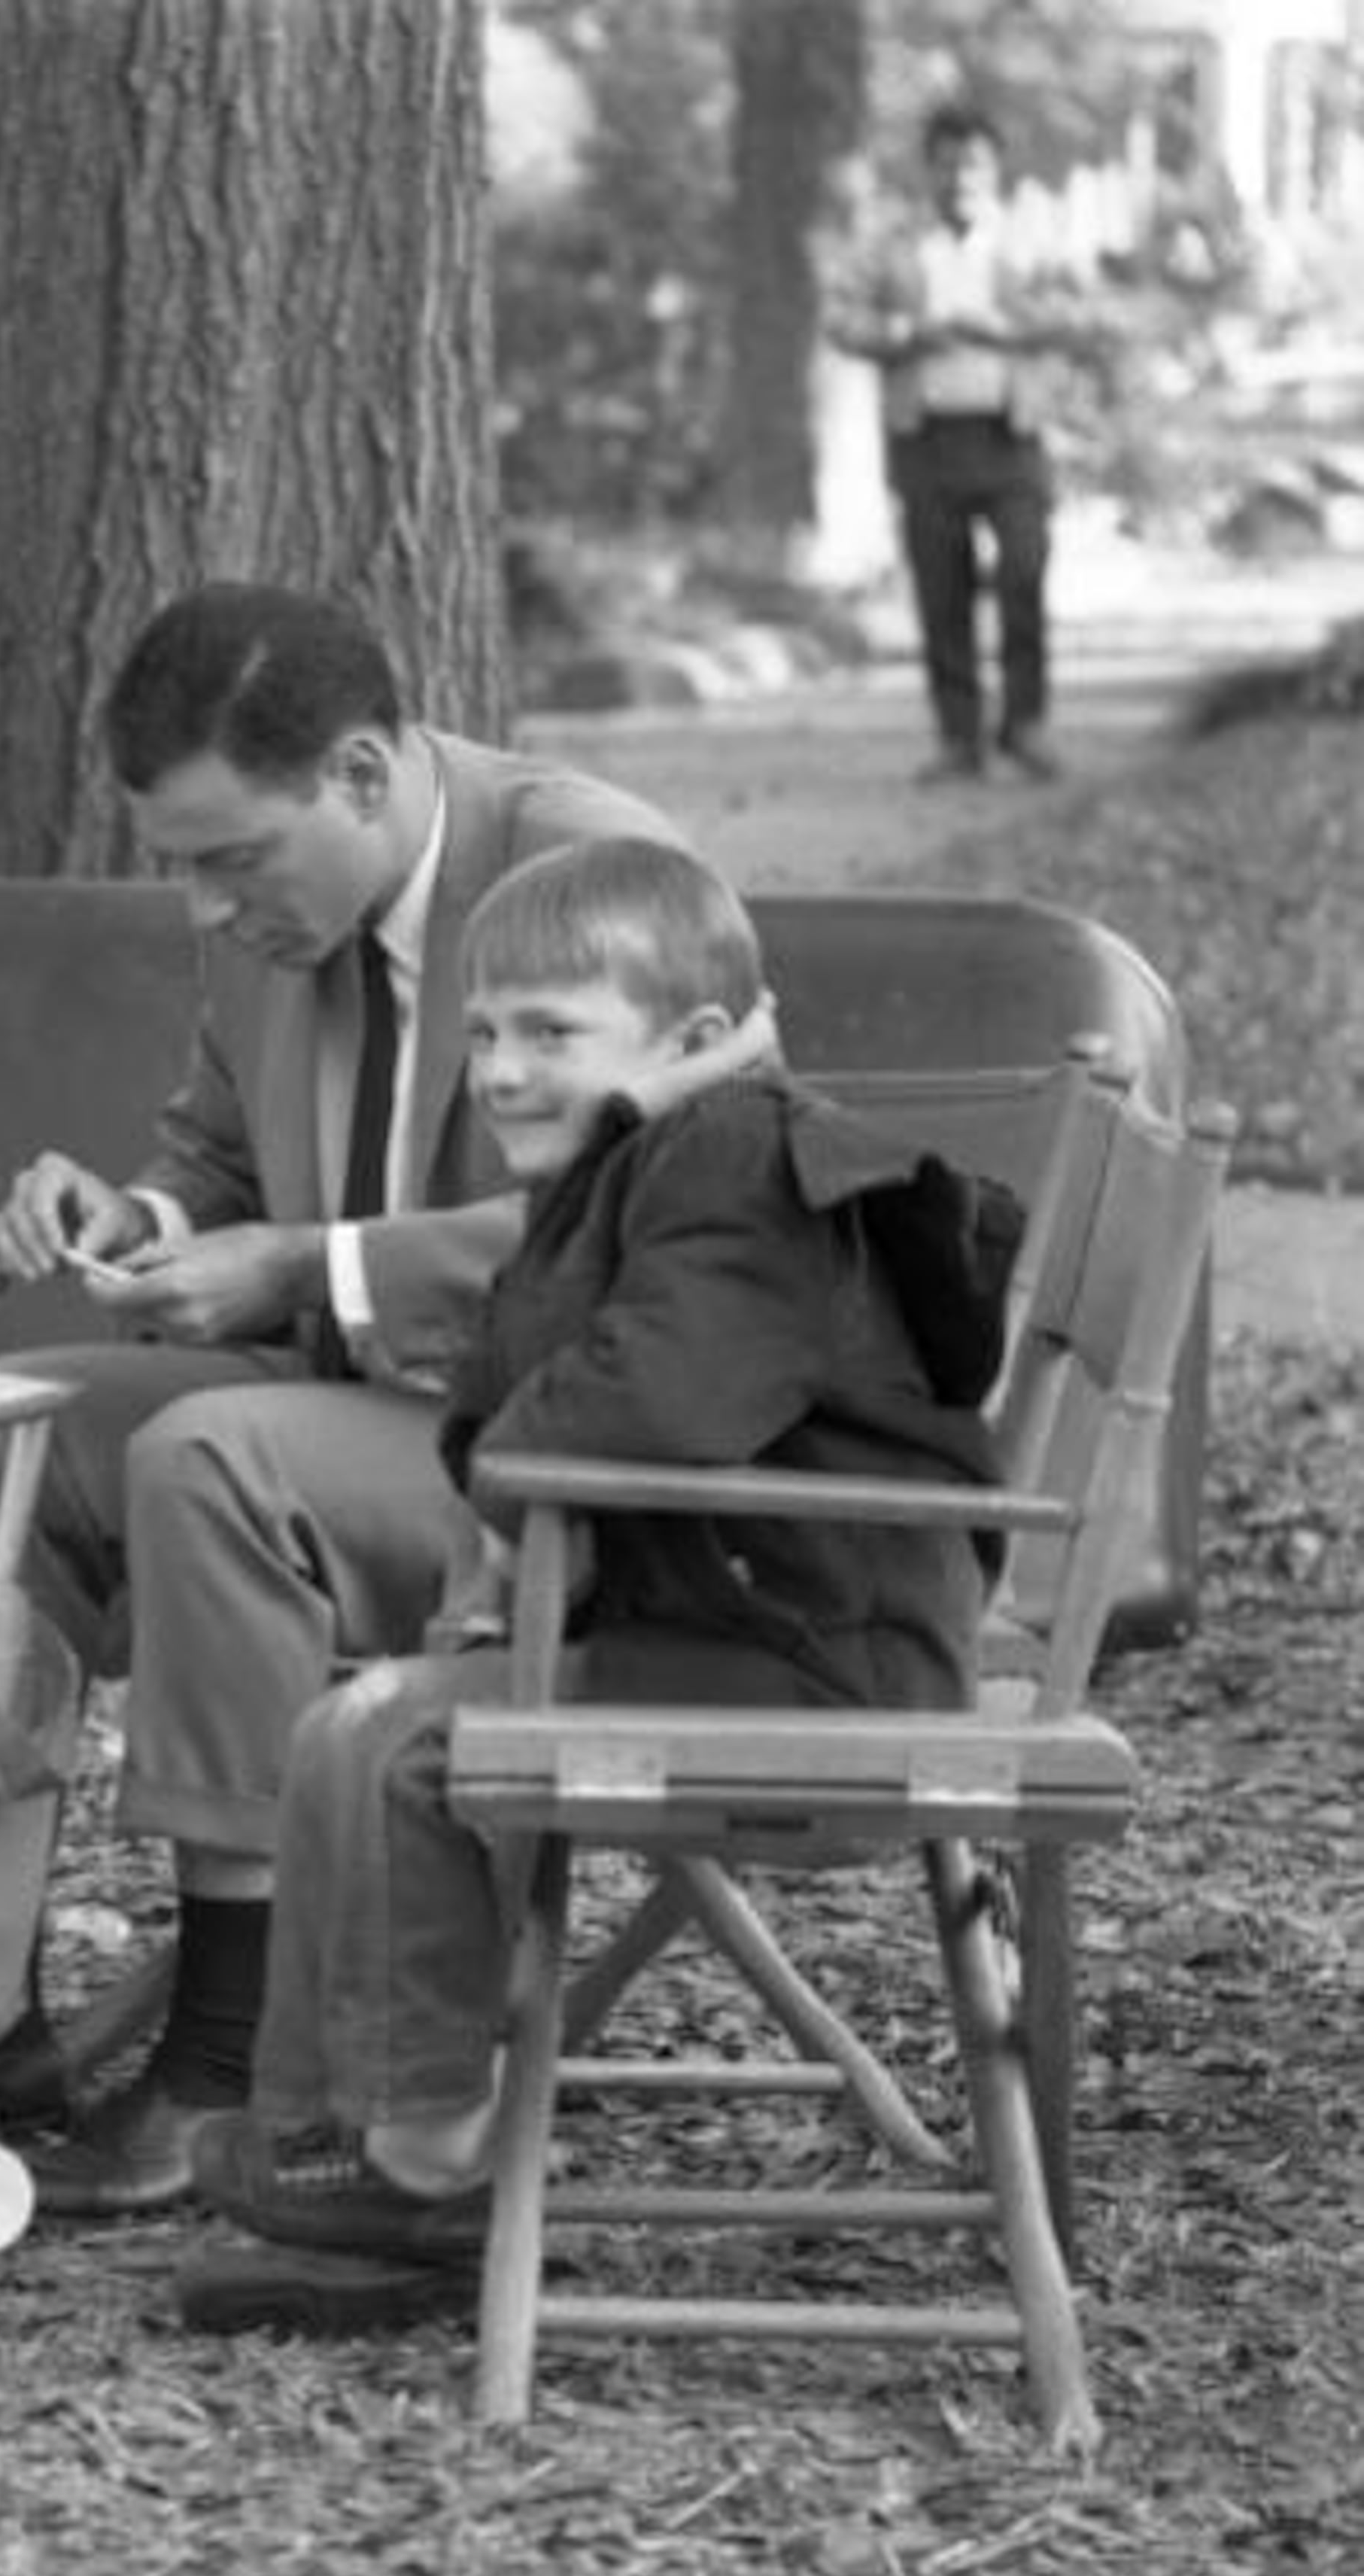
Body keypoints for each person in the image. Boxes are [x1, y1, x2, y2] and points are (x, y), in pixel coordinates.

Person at [169, 836, 1013, 2336]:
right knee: (352, 1725)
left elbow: (656, 1403)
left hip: (821, 1663)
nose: (499, 1069)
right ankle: (354, 2132)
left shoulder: (736, 1155)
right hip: (748, 1624)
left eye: (551, 1032)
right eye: (484, 1032)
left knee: (405, 1739)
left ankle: (429, 2173)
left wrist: (501, 1489)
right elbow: (542, 1368)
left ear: (694, 1040)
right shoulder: (646, 1156)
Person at [0, 580, 690, 2213]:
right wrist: (138, 1222)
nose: (206, 909)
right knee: (5, 1418)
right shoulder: (283, 920)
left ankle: (231, 2063)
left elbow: (655, 1214)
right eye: (179, 867)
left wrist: (304, 1271)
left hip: (572, 1459)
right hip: (360, 1407)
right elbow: (216, 1150)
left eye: (230, 858)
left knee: (216, 1455)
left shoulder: (587, 875)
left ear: (361, 775)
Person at [828, 102, 1104, 786]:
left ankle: (1025, 724)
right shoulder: (894, 245)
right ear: (931, 169)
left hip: (1013, 433)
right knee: (940, 587)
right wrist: (906, 335)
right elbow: (842, 317)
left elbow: (1078, 313)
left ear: (994, 167)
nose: (960, 177)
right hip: (928, 435)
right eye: (947, 163)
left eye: (973, 162)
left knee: (1024, 571)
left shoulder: (1032, 240)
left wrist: (1007, 330)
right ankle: (960, 738)